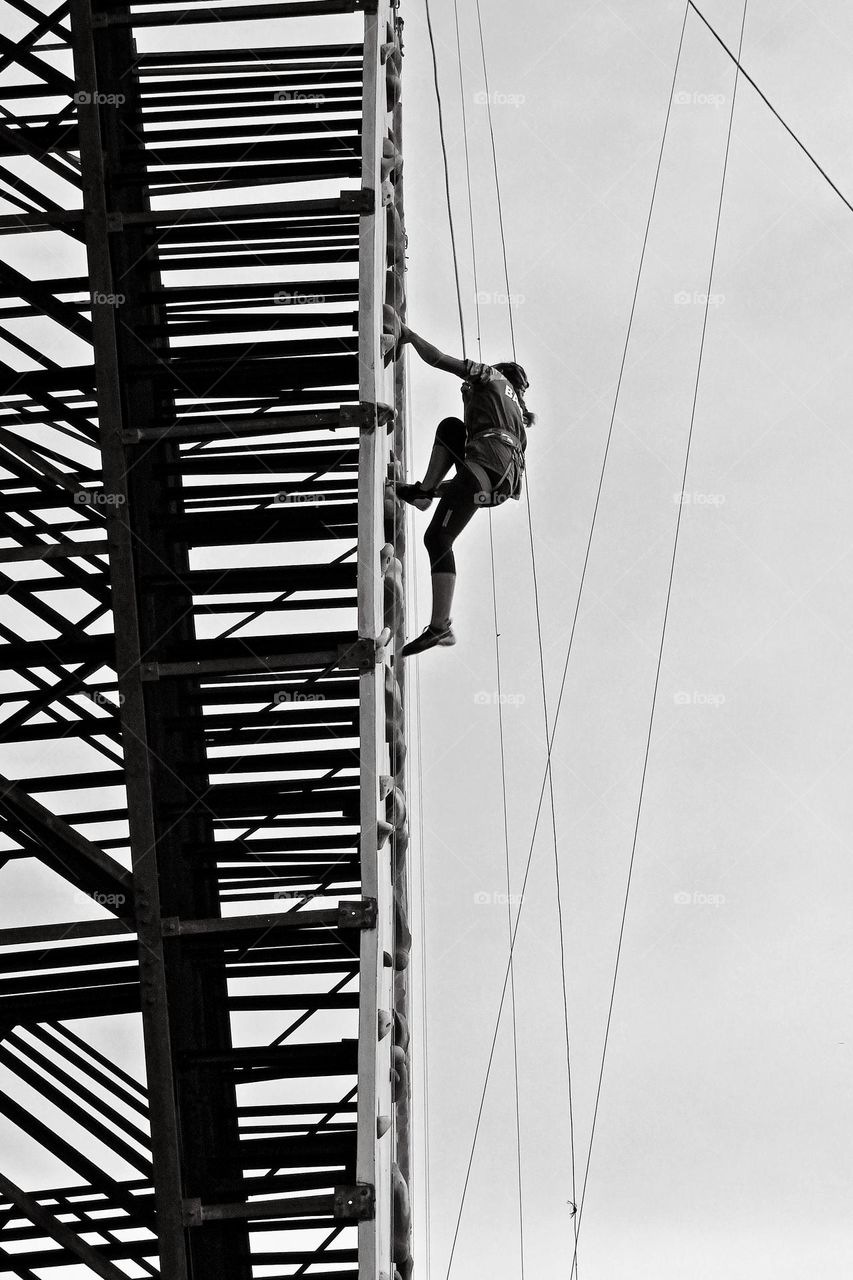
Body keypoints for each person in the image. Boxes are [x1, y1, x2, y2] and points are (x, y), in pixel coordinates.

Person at [393, 321, 535, 656]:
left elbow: (438, 358)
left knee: (438, 538)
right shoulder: (515, 414)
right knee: (453, 430)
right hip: (494, 480)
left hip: (485, 470)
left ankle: (440, 627)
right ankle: (423, 493)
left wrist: (410, 336)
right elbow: (470, 470)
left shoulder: (489, 375)